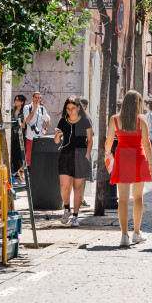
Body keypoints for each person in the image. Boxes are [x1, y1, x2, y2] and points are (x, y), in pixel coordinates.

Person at [104, 90, 152, 246]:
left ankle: (124, 235)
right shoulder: (142, 119)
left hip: (122, 158)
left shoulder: (115, 119)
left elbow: (109, 142)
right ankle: (137, 233)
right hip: (138, 158)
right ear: (138, 104)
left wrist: (107, 155)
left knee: (123, 199)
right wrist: (151, 163)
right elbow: (146, 143)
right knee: (138, 197)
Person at [53, 96, 92, 227]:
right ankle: (67, 210)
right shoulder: (63, 122)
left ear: (78, 108)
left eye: (73, 108)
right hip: (65, 155)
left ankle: (75, 216)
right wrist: (58, 136)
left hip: (81, 154)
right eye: (68, 108)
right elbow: (56, 141)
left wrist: (87, 154)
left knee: (77, 188)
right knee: (64, 187)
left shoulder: (85, 121)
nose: (70, 111)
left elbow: (90, 139)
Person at [21, 92, 50, 168]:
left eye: (38, 98)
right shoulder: (27, 107)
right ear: (32, 98)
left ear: (40, 99)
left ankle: (38, 171)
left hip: (39, 136)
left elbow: (48, 120)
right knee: (29, 158)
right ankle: (30, 174)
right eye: (35, 97)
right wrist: (34, 109)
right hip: (30, 136)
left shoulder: (42, 109)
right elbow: (27, 120)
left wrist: (45, 129)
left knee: (39, 155)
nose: (37, 99)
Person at [10, 93, 27, 183]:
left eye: (17, 100)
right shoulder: (12, 111)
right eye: (15, 100)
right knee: (13, 153)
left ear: (21, 102)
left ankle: (22, 169)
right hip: (13, 134)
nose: (15, 102)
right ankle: (16, 170)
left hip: (21, 134)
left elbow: (24, 125)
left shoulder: (24, 112)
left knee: (21, 153)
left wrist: (19, 126)